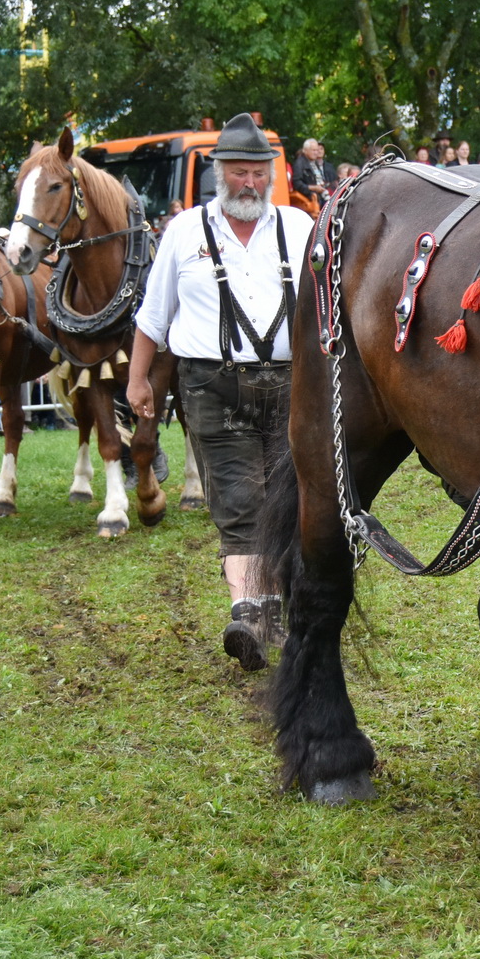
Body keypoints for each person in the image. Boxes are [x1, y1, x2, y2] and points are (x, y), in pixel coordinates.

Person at [127, 112, 313, 672]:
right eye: (237, 172)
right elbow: (154, 316)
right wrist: (138, 379)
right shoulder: (184, 232)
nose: (249, 183)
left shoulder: (301, 229)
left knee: (288, 499)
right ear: (218, 174)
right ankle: (247, 612)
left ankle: (272, 607)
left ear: (272, 174)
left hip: (289, 385)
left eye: (258, 172)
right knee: (237, 502)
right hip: (210, 384)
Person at [291, 138, 329, 205]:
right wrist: (314, 188)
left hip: (321, 195)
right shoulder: (299, 164)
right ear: (305, 150)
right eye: (313, 150)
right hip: (310, 200)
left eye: (317, 150)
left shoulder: (314, 162)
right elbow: (297, 184)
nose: (316, 153)